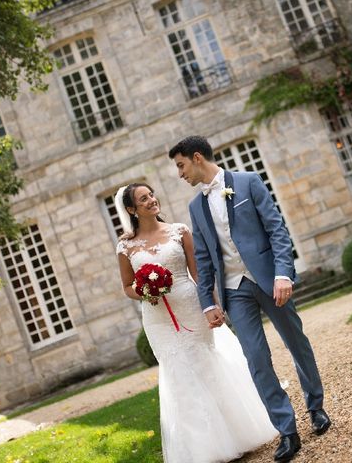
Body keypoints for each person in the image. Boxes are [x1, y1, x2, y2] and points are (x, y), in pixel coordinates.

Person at [169, 136, 331, 462]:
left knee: (297, 344)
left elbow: (277, 230)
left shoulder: (248, 182)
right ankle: (287, 429)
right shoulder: (195, 207)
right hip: (234, 290)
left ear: (197, 157)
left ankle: (316, 408)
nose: (180, 173)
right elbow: (202, 259)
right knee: (256, 360)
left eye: (181, 165)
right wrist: (209, 302)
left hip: (270, 280)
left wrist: (284, 273)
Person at [115, 183, 278, 463]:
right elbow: (127, 286)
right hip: (157, 317)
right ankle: (203, 449)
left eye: (152, 194)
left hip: (189, 305)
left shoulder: (179, 231)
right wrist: (144, 291)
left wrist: (211, 305)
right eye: (144, 199)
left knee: (204, 361)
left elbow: (199, 274)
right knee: (177, 370)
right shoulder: (126, 245)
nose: (152, 200)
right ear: (131, 209)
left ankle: (236, 434)